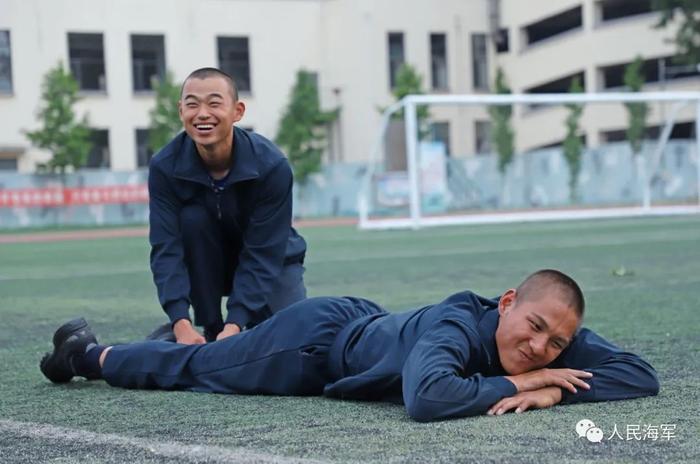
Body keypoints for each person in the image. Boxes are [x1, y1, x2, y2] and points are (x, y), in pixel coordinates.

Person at [39, 269, 659, 422]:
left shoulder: (551, 342)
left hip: (369, 329)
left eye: (559, 344)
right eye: (534, 326)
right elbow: (428, 399)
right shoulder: (453, 326)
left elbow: (640, 376)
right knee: (200, 368)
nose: (542, 347)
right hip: (313, 345)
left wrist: (553, 393)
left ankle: (148, 348)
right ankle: (86, 356)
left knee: (202, 359)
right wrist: (522, 384)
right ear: (506, 303)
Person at [146, 67, 307, 344]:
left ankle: (238, 326)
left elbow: (263, 252)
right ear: (180, 110)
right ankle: (207, 327)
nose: (203, 114)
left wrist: (235, 324)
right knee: (193, 218)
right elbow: (166, 249)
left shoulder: (271, 166)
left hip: (270, 260)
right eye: (192, 104)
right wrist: (180, 323)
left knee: (292, 339)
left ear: (238, 111)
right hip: (208, 262)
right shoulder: (165, 167)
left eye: (214, 103)